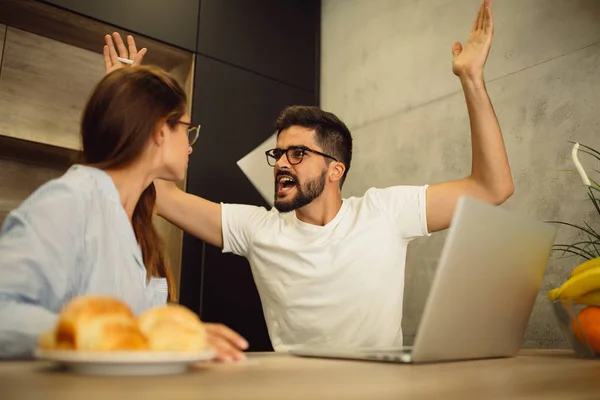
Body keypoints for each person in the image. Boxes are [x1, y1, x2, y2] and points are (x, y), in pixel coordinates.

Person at [104, 0, 512, 352]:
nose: (281, 163)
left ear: (336, 170)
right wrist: (127, 99)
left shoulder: (384, 212)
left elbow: (492, 188)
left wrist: (472, 80)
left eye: (297, 153)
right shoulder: (258, 229)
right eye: (278, 153)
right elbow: (162, 194)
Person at [0, 65, 247, 361]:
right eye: (186, 129)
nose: (190, 146)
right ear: (159, 130)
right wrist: (135, 335)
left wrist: (178, 338)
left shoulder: (135, 222)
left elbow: (137, 336)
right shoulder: (69, 200)